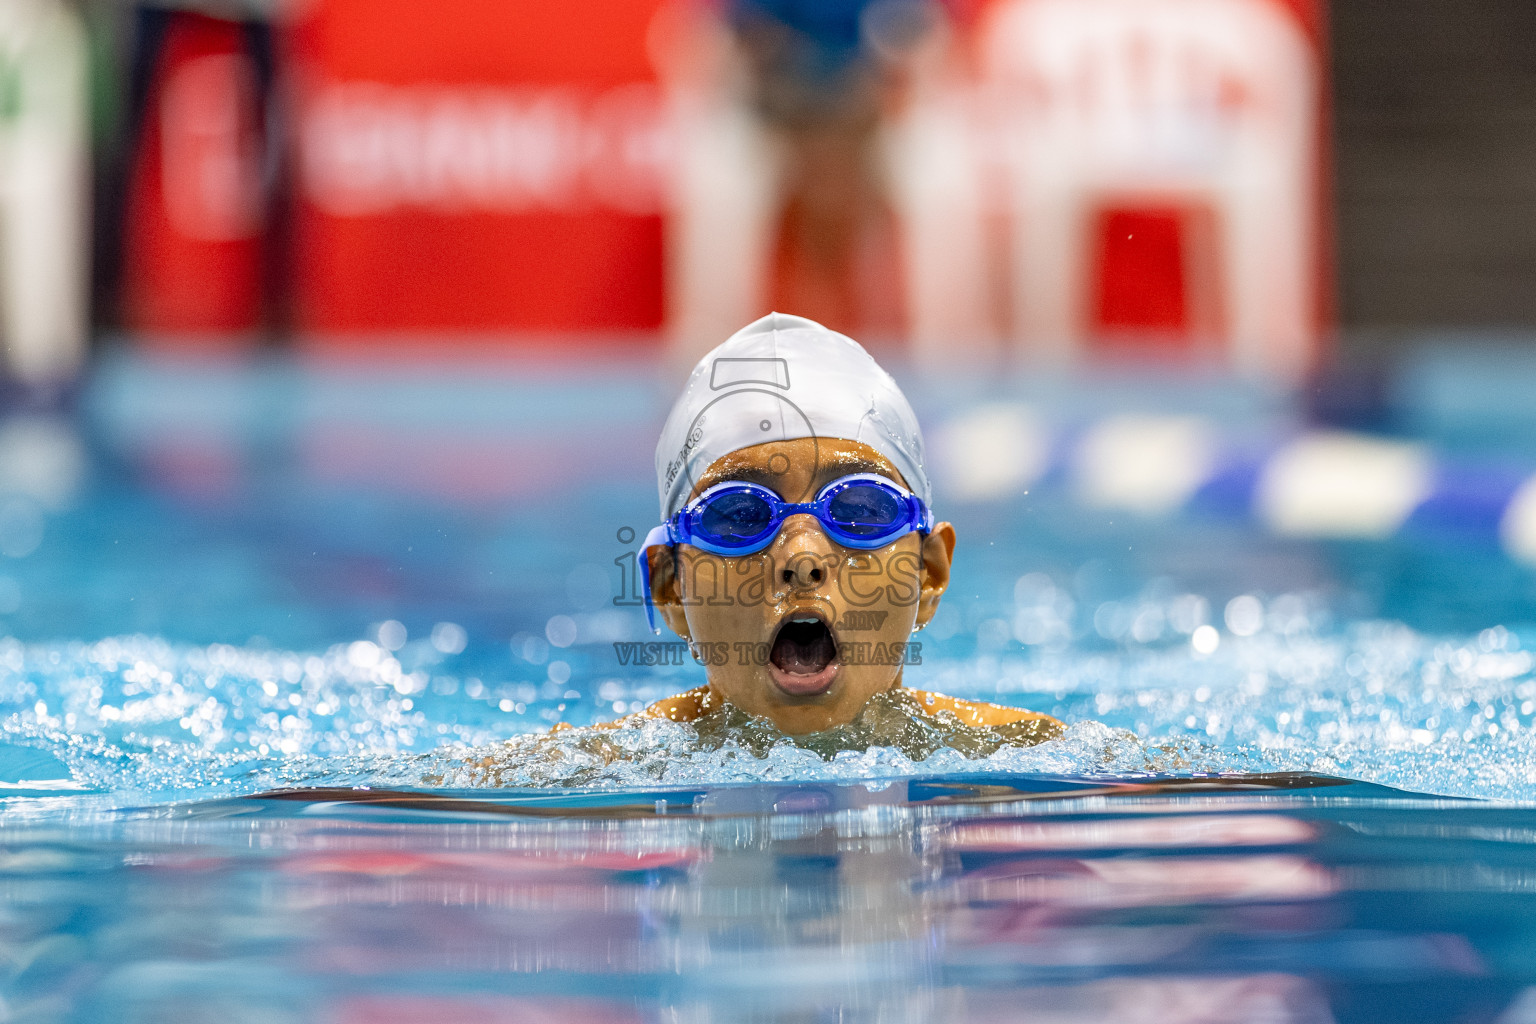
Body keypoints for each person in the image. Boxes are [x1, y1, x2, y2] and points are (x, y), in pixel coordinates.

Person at [622, 311, 1061, 741]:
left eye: (860, 509)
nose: (802, 558)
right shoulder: (599, 782)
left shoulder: (1030, 754)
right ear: (670, 587)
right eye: (740, 516)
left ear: (929, 572)